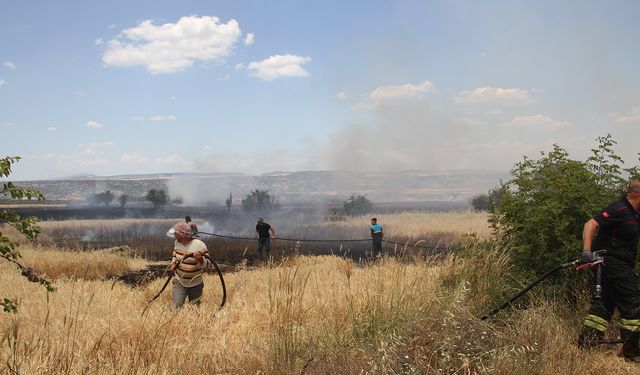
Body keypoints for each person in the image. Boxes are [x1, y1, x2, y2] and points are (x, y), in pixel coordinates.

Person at [578, 180, 640, 360]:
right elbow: (590, 224)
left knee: (603, 306)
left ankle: (586, 345)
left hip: (618, 265)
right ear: (636, 196)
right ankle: (632, 352)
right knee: (634, 302)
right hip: (611, 262)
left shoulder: (635, 214)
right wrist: (587, 251)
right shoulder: (619, 209)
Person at [170, 222, 211, 308]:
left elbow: (208, 265)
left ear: (182, 234)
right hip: (179, 281)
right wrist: (173, 263)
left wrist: (200, 259)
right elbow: (175, 254)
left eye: (175, 233)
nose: (174, 234)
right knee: (176, 306)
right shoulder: (177, 242)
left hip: (196, 284)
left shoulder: (199, 245)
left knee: (195, 308)